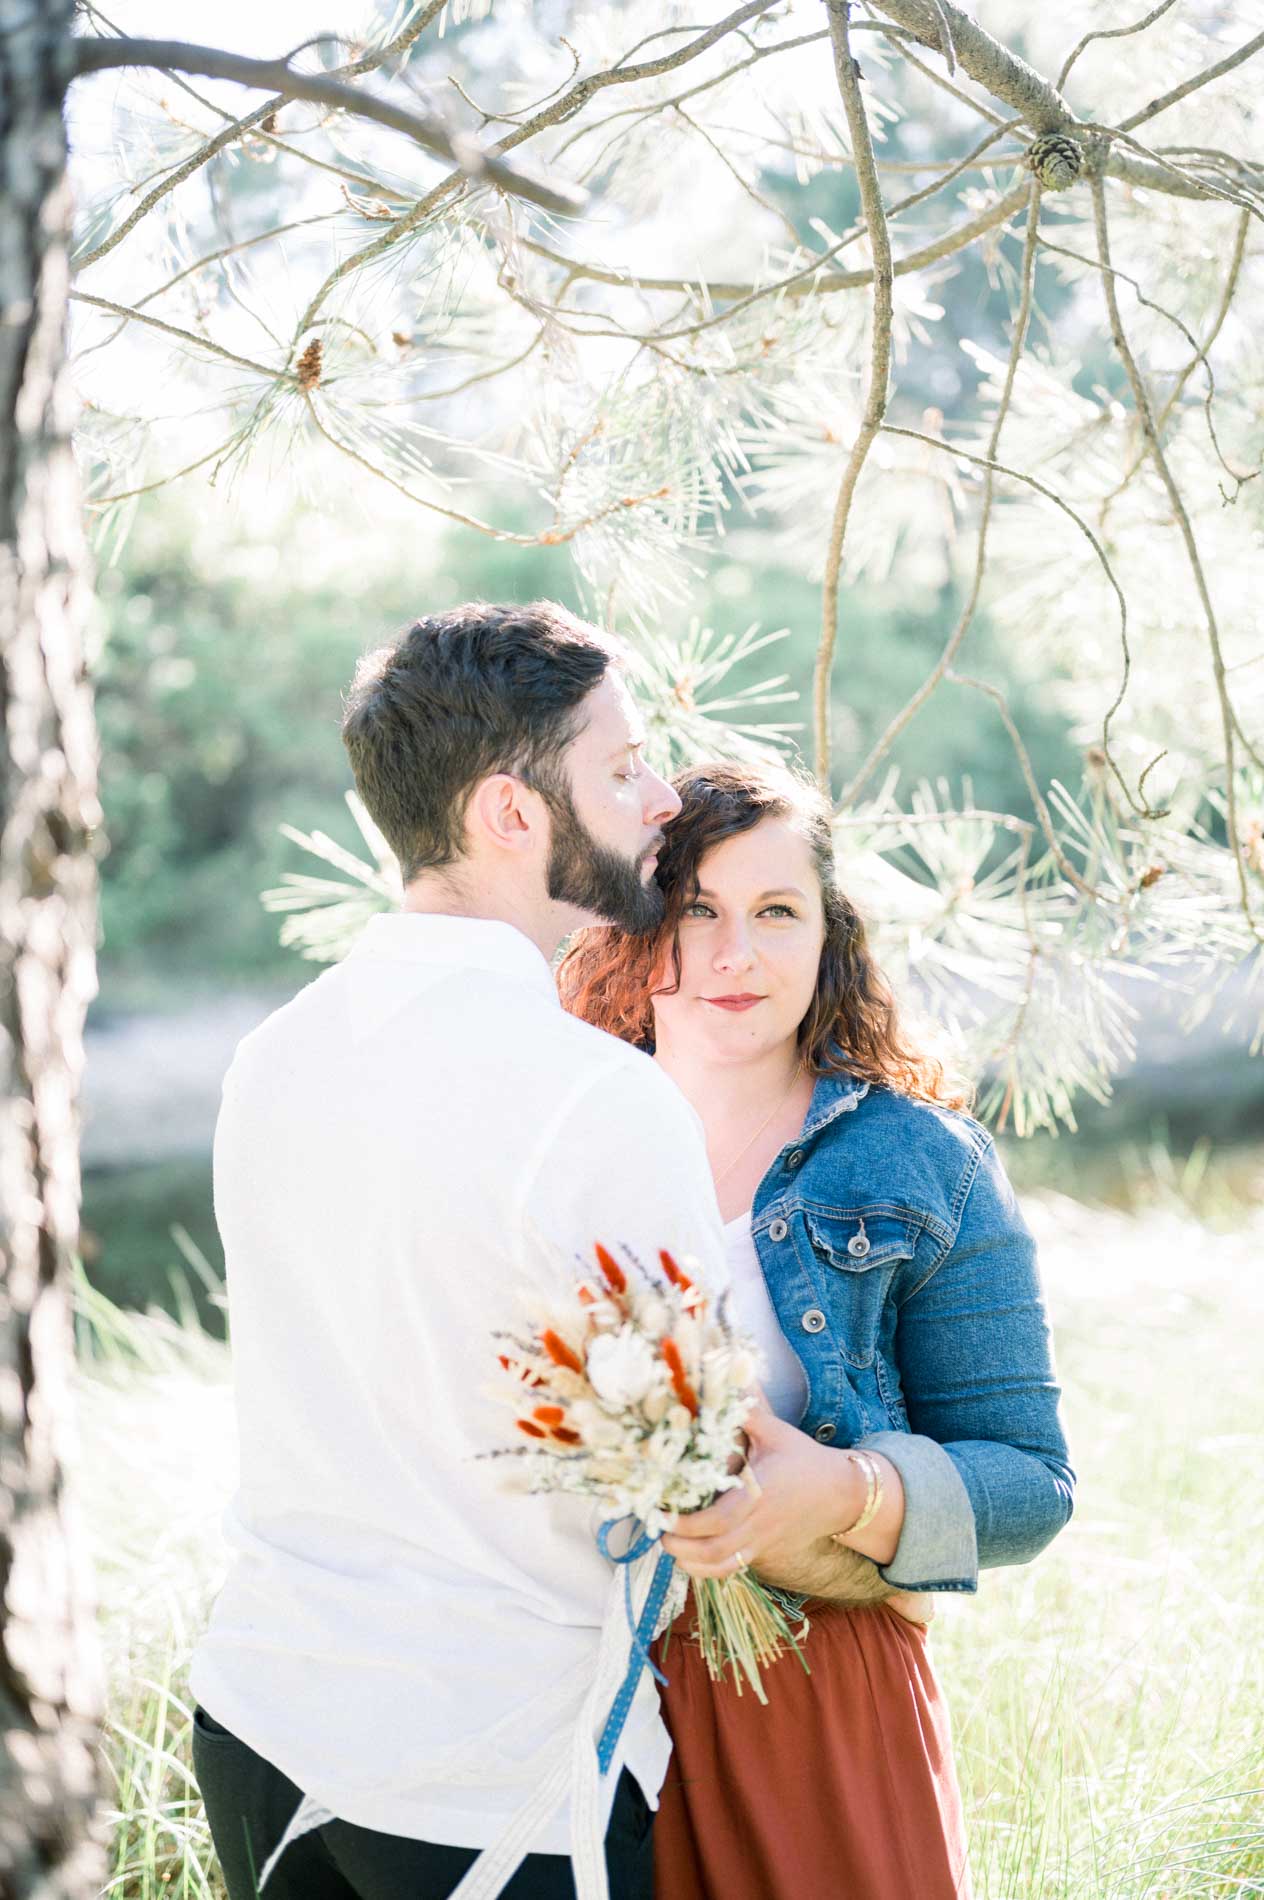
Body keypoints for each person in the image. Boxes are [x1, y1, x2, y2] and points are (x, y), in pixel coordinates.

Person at [188, 601, 733, 1900]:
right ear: (509, 813)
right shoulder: (595, 1098)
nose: (660, 796)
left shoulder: (269, 1061)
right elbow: (688, 1465)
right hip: (492, 1770)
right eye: (620, 766)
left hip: (261, 1720)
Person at [557, 759, 1076, 1900]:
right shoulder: (552, 1145)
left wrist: (846, 1494)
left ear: (829, 936)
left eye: (775, 911)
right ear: (635, 929)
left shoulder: (923, 1162)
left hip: (813, 1693)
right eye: (695, 909)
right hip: (566, 1687)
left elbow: (1031, 1482)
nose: (735, 952)